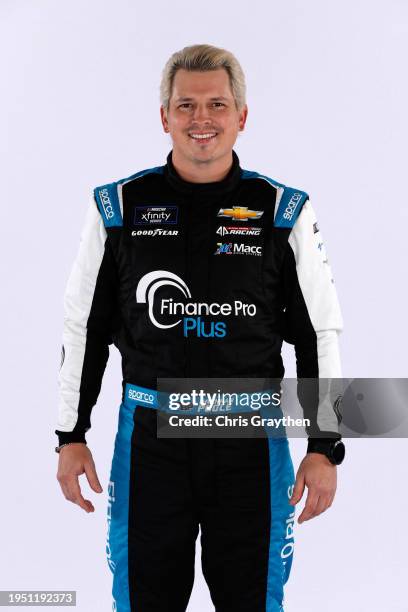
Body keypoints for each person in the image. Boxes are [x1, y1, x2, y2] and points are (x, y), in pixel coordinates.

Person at [55, 44, 345, 612]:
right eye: (186, 105)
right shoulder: (117, 208)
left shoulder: (283, 210)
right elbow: (82, 329)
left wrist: (324, 447)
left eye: (217, 104)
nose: (201, 120)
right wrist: (70, 435)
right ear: (164, 116)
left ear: (242, 115)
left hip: (250, 444)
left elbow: (320, 334)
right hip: (150, 444)